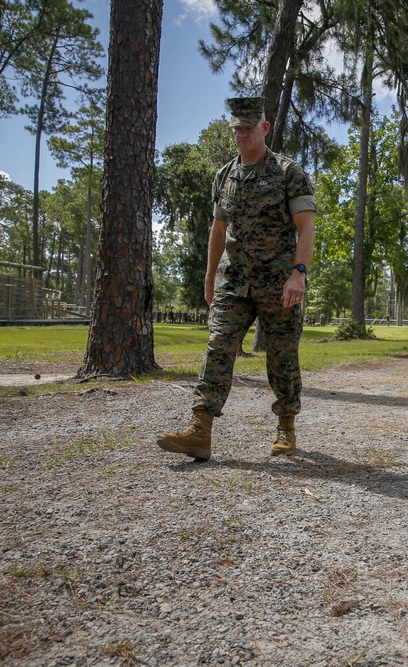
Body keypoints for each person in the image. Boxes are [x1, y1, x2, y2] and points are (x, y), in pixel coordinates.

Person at [157, 97, 316, 461]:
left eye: (248, 127)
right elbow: (217, 230)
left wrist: (299, 273)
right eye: (236, 129)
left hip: (279, 283)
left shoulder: (289, 172)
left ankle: (286, 425)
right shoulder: (224, 176)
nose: (241, 134)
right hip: (234, 279)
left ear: (264, 128)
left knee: (282, 356)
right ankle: (201, 428)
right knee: (218, 345)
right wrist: (210, 276)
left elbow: (305, 227)